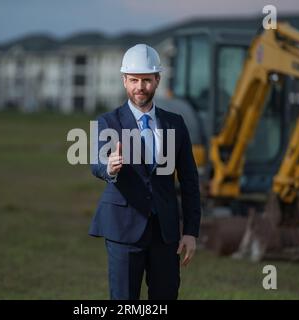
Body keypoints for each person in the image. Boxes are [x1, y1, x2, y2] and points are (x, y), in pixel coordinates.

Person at [89, 44, 202, 300]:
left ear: (157, 80)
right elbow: (96, 164)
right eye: (134, 80)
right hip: (123, 231)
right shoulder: (108, 122)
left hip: (165, 234)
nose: (140, 86)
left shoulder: (175, 123)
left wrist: (191, 231)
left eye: (146, 80)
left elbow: (189, 181)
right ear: (124, 81)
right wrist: (109, 167)